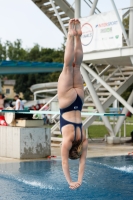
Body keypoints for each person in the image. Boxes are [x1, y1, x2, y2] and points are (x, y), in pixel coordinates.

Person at [57, 19, 88, 190]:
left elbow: (82, 162)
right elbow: (64, 163)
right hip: (68, 103)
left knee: (77, 68)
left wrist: (78, 180)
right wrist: (72, 181)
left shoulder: (82, 139)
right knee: (68, 67)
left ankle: (78, 37)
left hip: (78, 101)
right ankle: (71, 36)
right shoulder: (68, 140)